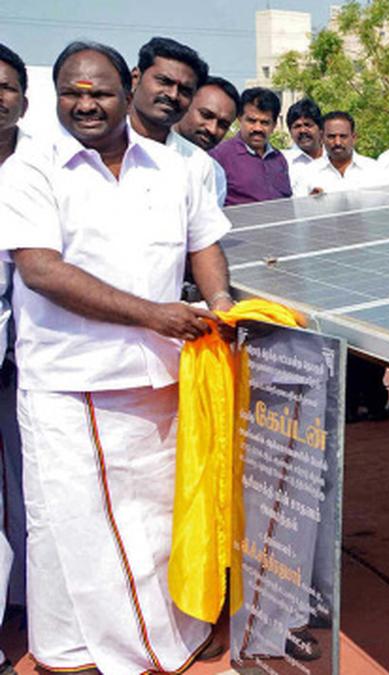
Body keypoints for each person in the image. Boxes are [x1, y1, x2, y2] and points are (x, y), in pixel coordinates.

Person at [0, 41, 234, 674]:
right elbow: (43, 271)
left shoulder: (174, 168)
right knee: (71, 523)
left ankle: (162, 632)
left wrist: (219, 304)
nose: (86, 104)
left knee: (154, 520)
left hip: (157, 379)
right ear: (55, 98)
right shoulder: (29, 171)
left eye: (99, 92)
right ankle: (79, 649)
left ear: (123, 91)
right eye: (73, 93)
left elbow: (205, 243)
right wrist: (154, 314)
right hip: (69, 383)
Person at [0, 42, 28, 675]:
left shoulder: (44, 168)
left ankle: (23, 606)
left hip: (23, 366)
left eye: (5, 86)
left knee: (28, 498)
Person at [128, 37, 226, 207]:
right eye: (164, 81)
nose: (173, 95)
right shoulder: (97, 148)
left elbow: (201, 232)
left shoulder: (197, 164)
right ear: (135, 78)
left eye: (185, 90)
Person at [210, 87, 290, 205]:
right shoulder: (219, 157)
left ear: (274, 125)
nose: (257, 128)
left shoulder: (278, 159)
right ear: (239, 119)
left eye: (265, 122)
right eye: (252, 121)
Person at [174, 76, 240, 205]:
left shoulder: (216, 174)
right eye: (206, 115)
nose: (212, 129)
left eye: (223, 125)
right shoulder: (142, 148)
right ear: (186, 104)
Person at [293, 110, 381, 195]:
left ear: (354, 138)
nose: (337, 142)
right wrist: (310, 202)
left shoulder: (374, 171)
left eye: (343, 136)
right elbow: (298, 208)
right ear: (322, 137)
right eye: (331, 137)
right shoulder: (308, 174)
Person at [282, 98, 324, 185]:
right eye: (297, 126)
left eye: (308, 125)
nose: (303, 130)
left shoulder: (336, 158)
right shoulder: (282, 163)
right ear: (290, 131)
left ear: (320, 129)